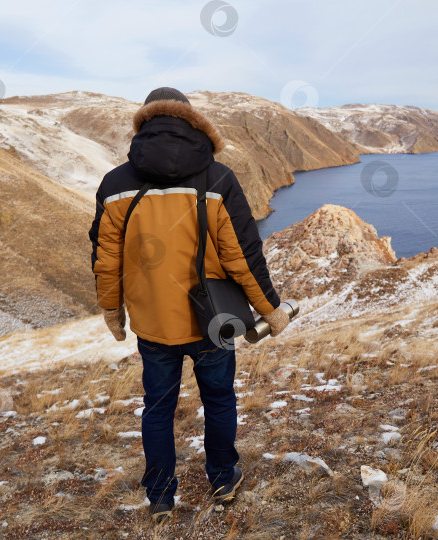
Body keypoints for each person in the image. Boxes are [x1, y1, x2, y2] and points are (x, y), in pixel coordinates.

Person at [88, 87, 290, 521]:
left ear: (144, 123)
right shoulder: (217, 178)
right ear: (192, 121)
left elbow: (106, 259)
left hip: (153, 324)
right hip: (211, 322)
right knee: (219, 400)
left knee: (158, 408)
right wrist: (269, 308)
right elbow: (243, 255)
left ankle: (160, 497)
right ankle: (222, 479)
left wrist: (112, 310)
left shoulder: (117, 184)